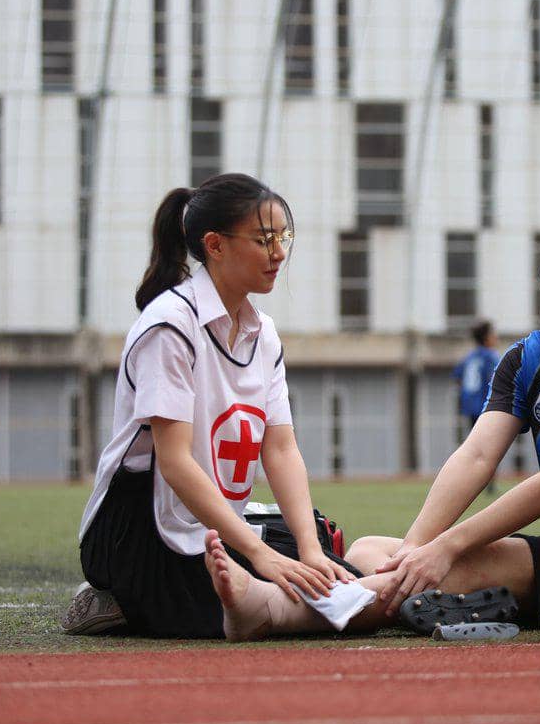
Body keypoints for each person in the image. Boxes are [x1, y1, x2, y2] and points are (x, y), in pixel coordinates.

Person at [201, 203, 540, 640]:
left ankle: (268, 612)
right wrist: (414, 551)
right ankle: (424, 593)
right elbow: (475, 456)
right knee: (373, 550)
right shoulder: (531, 356)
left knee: (455, 565)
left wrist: (445, 549)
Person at [60, 173, 356, 639]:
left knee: (331, 570)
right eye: (263, 240)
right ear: (214, 245)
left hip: (213, 524)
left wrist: (307, 550)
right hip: (140, 529)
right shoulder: (170, 327)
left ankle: (271, 569)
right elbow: (174, 462)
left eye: (284, 238)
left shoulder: (263, 333)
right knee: (296, 605)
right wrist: (260, 556)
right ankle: (111, 593)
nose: (279, 253)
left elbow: (279, 450)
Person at [453, 320, 500, 494]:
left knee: (474, 447)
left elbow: (458, 377)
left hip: (470, 406)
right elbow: (498, 378)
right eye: (493, 333)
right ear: (486, 337)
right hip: (485, 406)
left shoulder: (470, 357)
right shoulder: (491, 356)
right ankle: (488, 485)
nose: (495, 337)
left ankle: (467, 482)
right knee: (489, 449)